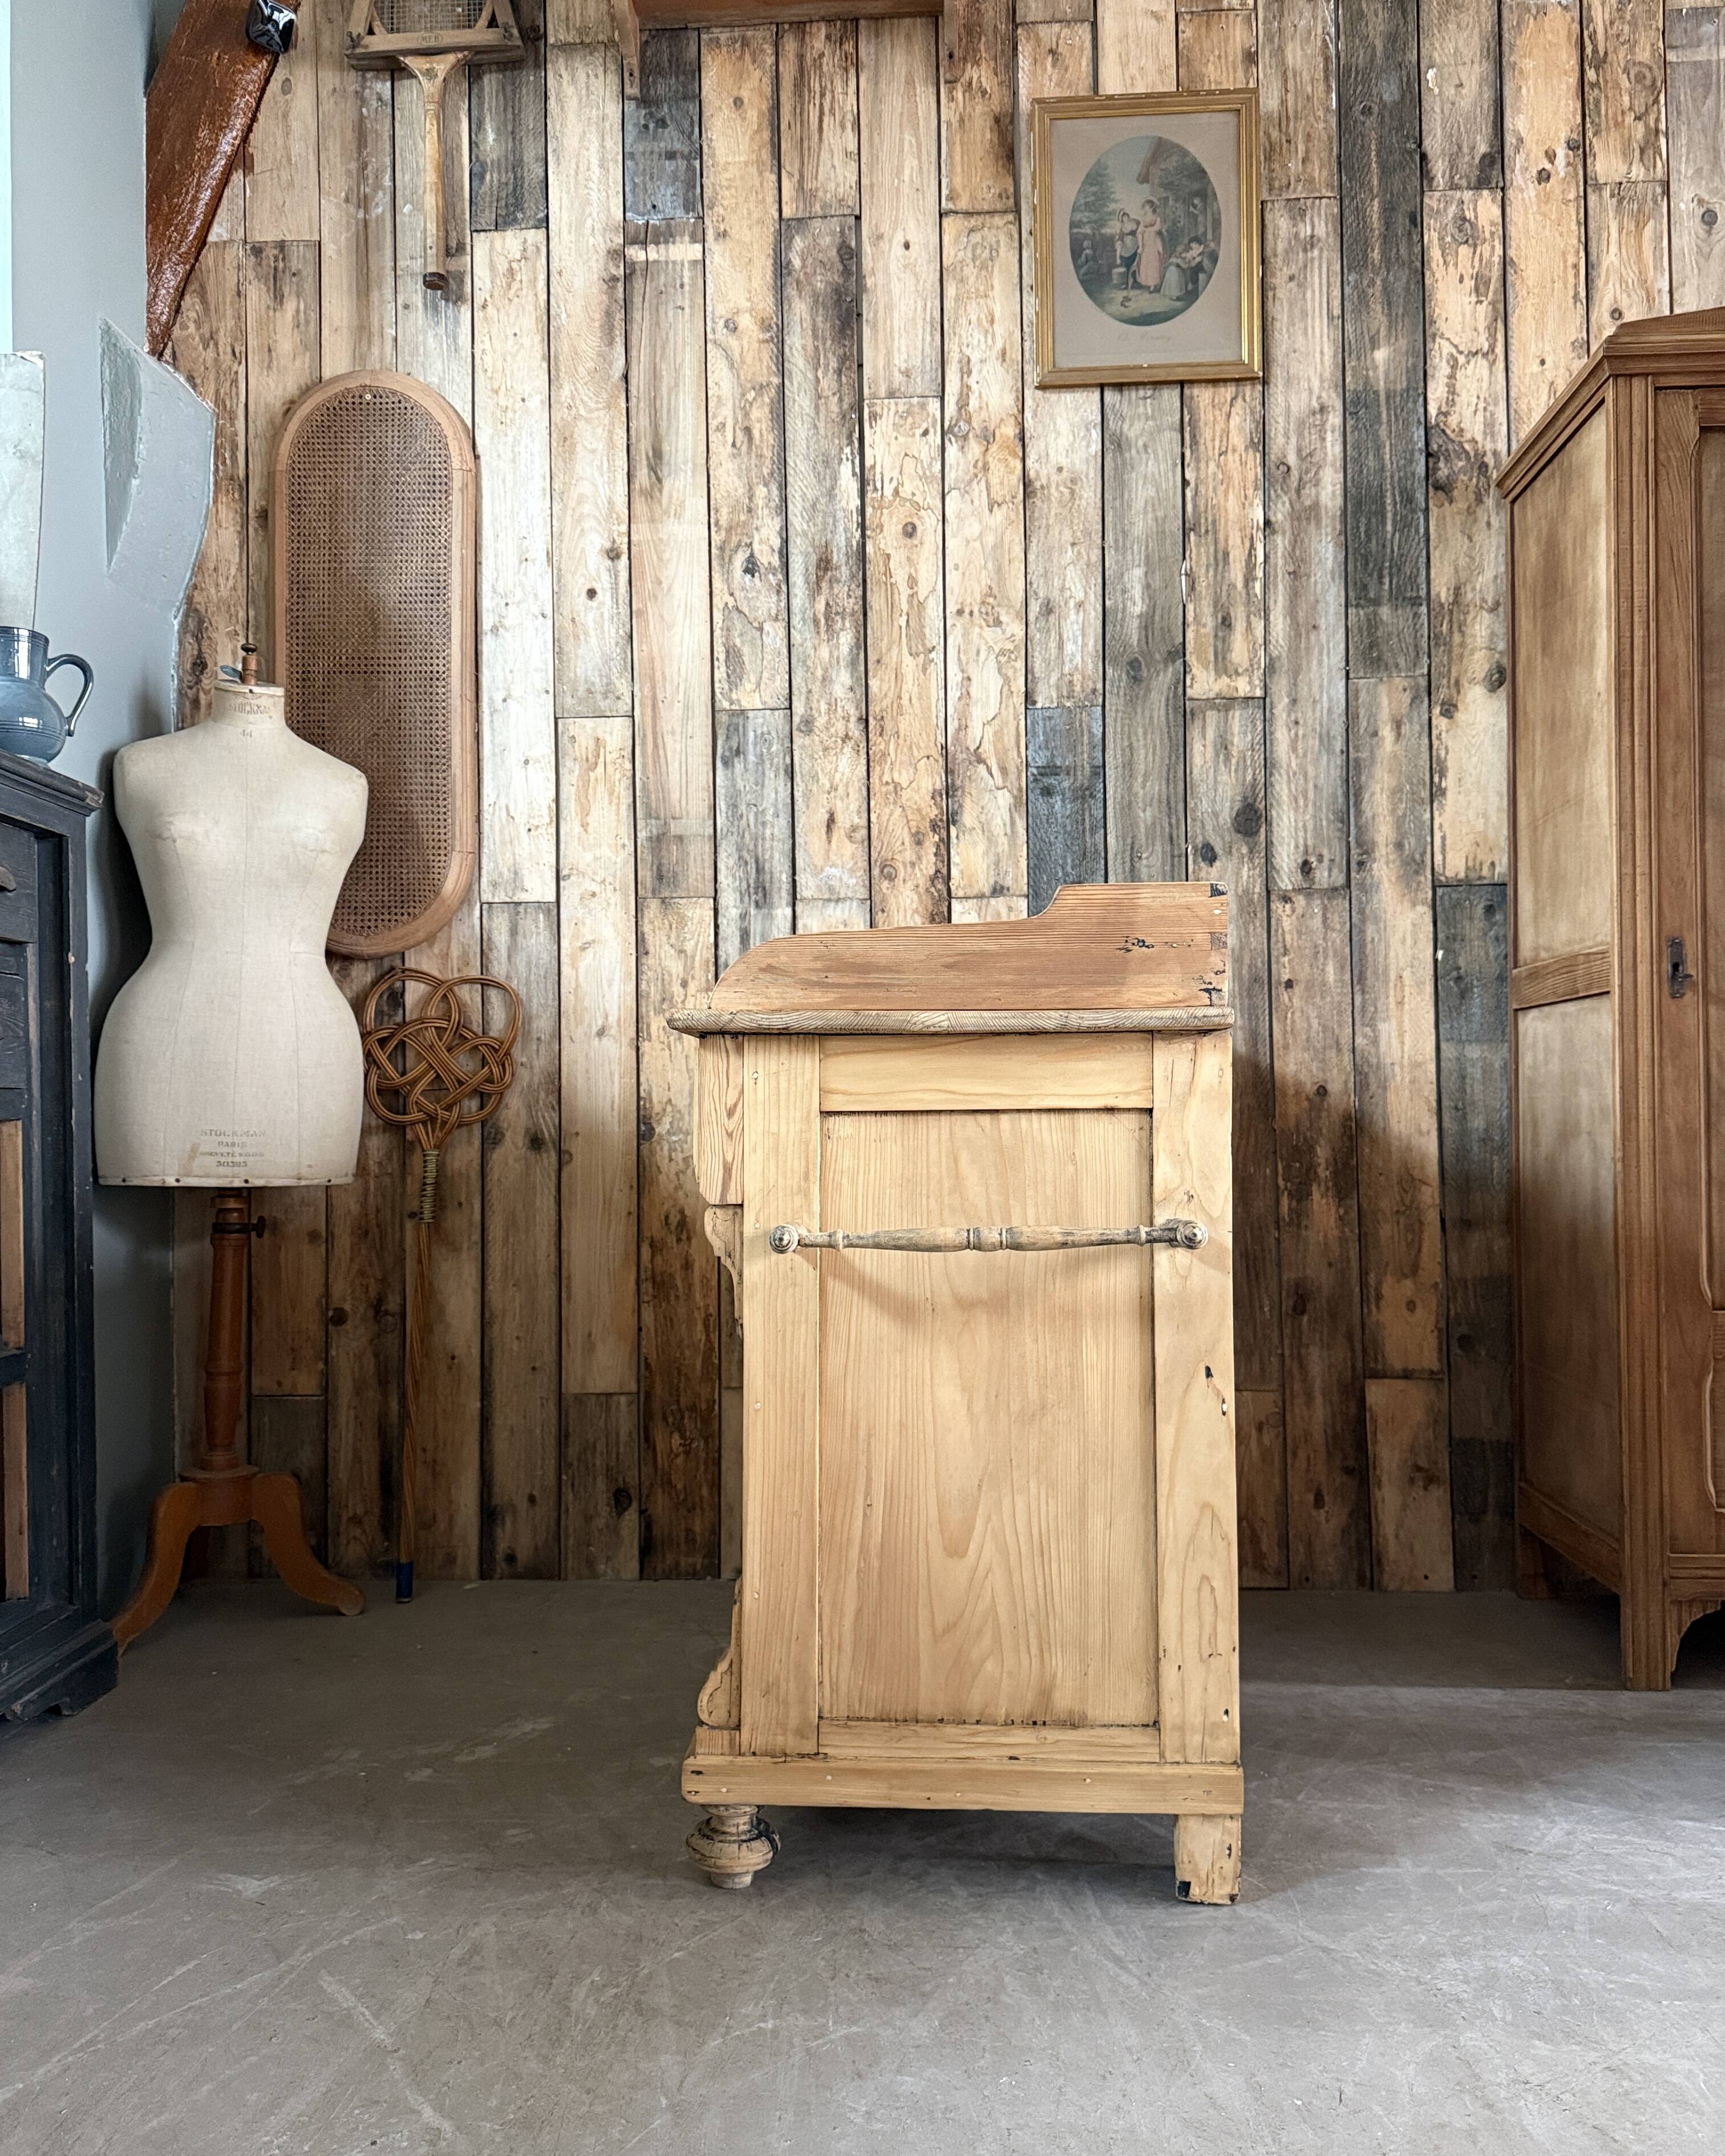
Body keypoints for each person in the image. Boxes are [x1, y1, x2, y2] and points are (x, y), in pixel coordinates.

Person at [1131, 197, 1165, 293]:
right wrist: (1141, 246)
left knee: (1154, 262)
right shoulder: (1144, 219)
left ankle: (1154, 285)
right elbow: (1139, 232)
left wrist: (1147, 229)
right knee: (1145, 263)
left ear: (1151, 207)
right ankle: (1148, 283)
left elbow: (1157, 228)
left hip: (1154, 241)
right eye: (1144, 207)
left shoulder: (1157, 218)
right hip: (1146, 242)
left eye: (1146, 207)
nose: (1145, 209)